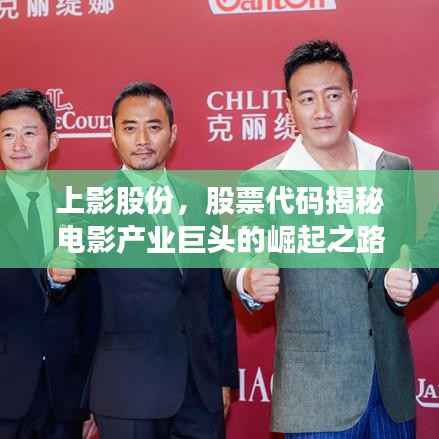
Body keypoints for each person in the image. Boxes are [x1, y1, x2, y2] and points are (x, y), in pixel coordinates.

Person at [223, 40, 417, 438]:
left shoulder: (394, 168)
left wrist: (410, 275)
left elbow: (408, 256)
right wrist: (247, 278)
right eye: (307, 99)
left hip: (391, 386)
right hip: (316, 394)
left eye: (333, 95)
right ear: (289, 107)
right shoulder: (264, 181)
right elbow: (240, 248)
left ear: (353, 98)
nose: (322, 111)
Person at [51, 82, 239, 439]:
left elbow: (216, 296)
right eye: (129, 128)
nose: (142, 139)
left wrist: (224, 377)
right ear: (113, 136)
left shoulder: (200, 199)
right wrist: (58, 272)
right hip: (128, 392)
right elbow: (73, 296)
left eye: (154, 127)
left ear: (173, 133)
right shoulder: (92, 208)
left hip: (200, 392)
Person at [0, 88, 100, 439]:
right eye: (7, 135)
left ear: (53, 140)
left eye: (29, 133)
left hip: (64, 398)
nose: (18, 145)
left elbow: (93, 312)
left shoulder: (80, 213)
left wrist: (91, 398)